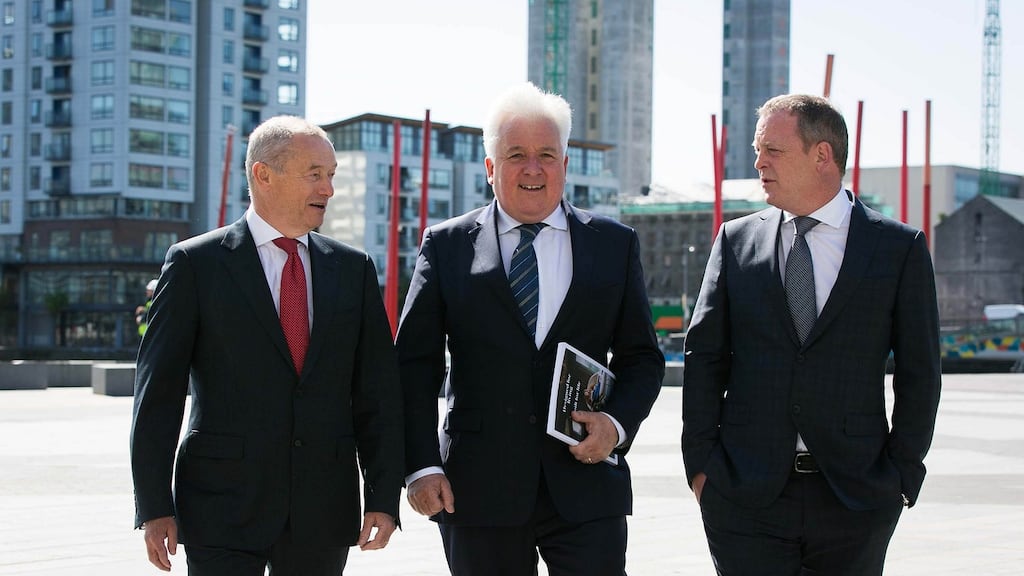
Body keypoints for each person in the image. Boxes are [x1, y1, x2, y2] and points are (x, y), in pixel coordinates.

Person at [396, 82, 665, 575]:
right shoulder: (446, 245)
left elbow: (643, 358)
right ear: (490, 168)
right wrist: (421, 465)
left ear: (565, 164)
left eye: (547, 154)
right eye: (516, 154)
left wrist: (617, 424)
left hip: (587, 486)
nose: (533, 168)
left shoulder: (614, 245)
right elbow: (413, 367)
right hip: (475, 491)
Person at [130, 115, 404, 575]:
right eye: (314, 174)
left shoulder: (353, 269)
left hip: (323, 508)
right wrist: (154, 504)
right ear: (263, 174)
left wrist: (383, 496)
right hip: (220, 508)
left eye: (331, 175)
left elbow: (377, 393)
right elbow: (156, 395)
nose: (328, 189)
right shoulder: (195, 265)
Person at [682, 94, 941, 575]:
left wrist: (902, 476)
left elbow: (920, 371)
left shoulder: (898, 248)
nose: (758, 163)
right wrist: (701, 468)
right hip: (743, 497)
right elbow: (704, 356)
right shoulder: (735, 241)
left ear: (822, 155)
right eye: (758, 150)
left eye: (772, 151)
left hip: (855, 498)